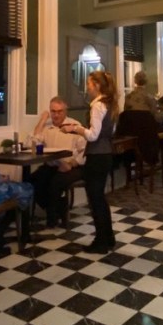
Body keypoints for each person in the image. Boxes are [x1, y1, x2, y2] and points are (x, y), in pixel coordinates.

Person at [60, 69, 117, 253]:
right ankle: (108, 237)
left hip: (97, 156)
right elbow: (109, 131)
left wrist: (75, 129)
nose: (87, 88)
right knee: (100, 198)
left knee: (95, 200)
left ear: (97, 85)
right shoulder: (110, 104)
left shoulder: (97, 106)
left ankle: (101, 242)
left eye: (89, 84)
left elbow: (93, 136)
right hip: (106, 154)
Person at [30, 96, 87, 228]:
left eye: (59, 111)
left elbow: (84, 152)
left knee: (56, 182)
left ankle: (53, 217)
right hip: (52, 165)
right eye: (53, 111)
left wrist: (71, 164)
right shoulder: (46, 127)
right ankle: (57, 209)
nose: (56, 115)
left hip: (73, 166)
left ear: (65, 111)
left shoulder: (74, 126)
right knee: (31, 180)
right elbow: (32, 143)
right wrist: (42, 120)